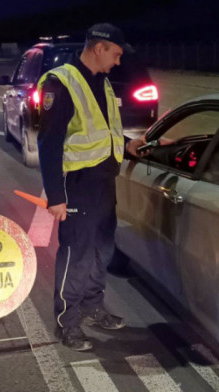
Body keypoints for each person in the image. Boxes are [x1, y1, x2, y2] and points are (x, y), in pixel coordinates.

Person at [37, 23, 147, 351]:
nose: (118, 61)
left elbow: (103, 131)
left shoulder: (102, 80)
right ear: (99, 48)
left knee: (102, 249)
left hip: (104, 182)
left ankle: (92, 306)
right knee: (76, 254)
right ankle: (68, 322)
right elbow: (49, 143)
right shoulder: (62, 82)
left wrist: (129, 145)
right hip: (78, 185)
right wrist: (56, 196)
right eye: (115, 54)